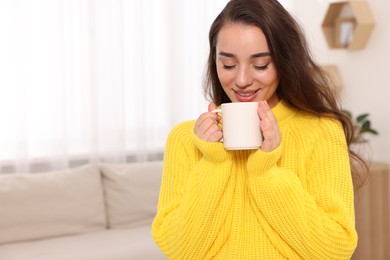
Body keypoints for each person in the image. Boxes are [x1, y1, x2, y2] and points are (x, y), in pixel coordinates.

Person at [152, 0, 367, 259]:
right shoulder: (185, 140)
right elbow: (180, 251)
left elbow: (334, 250)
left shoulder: (321, 132)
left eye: (261, 65)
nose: (241, 80)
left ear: (285, 62)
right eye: (228, 65)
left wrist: (266, 172)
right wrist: (214, 163)